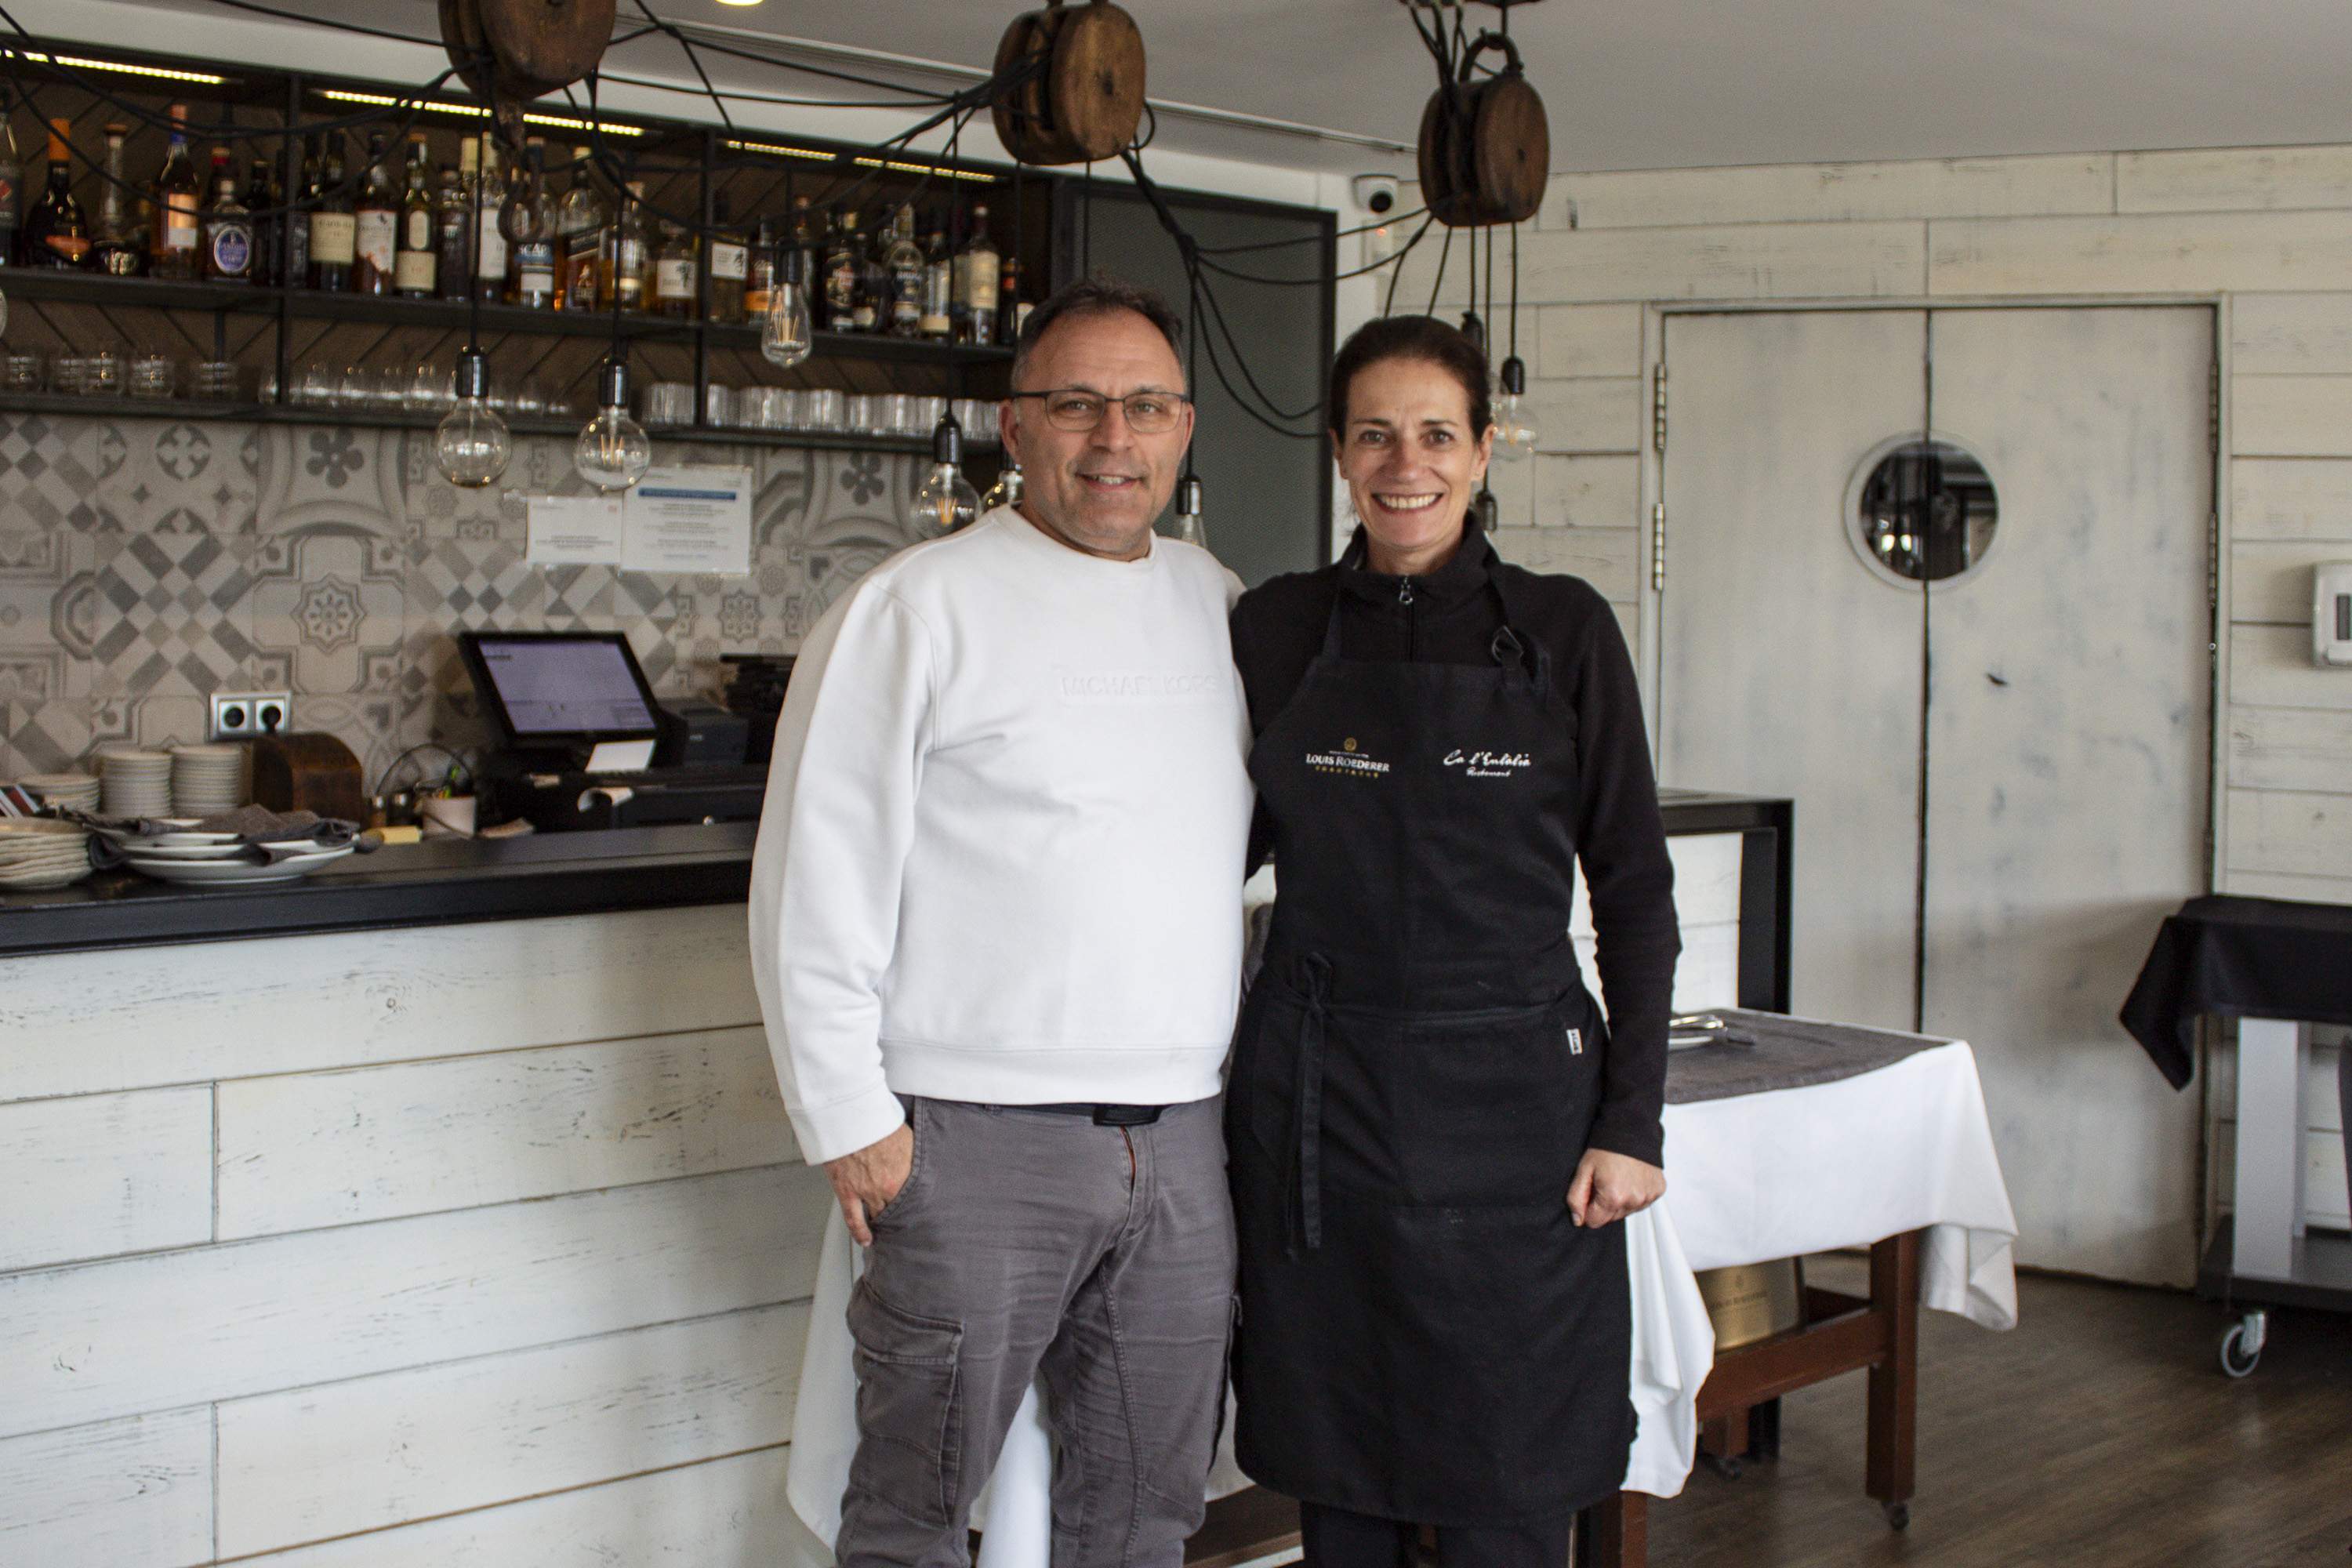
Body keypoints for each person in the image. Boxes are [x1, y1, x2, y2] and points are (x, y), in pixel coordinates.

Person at [748, 278, 1251, 1568]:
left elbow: (1231, 849)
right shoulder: (917, 606)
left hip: (1186, 1138)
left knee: (1147, 1509)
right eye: (1074, 404)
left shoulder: (1224, 605)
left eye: (1142, 407)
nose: (1111, 438)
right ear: (1012, 427)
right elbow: (819, 871)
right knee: (917, 1510)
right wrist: (850, 1117)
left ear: (1184, 429)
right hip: (970, 1142)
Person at [1224, 314, 1680, 1567]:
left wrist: (1631, 1124)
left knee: (1513, 1489)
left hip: (1522, 1118)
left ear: (1483, 452)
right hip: (1323, 1104)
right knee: (1345, 1494)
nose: (1403, 462)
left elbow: (1634, 889)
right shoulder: (1273, 632)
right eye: (1374, 434)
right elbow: (1199, 850)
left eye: (1435, 434)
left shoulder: (1565, 632)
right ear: (1337, 452)